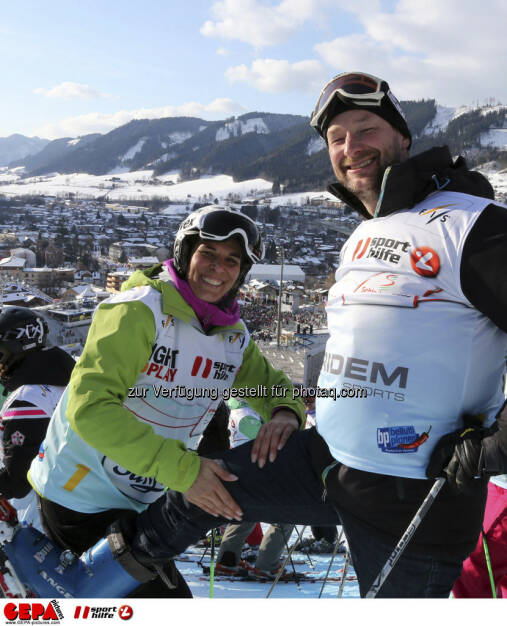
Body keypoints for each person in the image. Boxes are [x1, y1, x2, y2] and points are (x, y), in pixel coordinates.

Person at [14, 72, 507, 599]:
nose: (350, 148)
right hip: (318, 465)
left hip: (415, 495)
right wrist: (263, 431)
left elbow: (269, 384)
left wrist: (494, 447)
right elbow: (93, 407)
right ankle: (88, 583)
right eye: (336, 138)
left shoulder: (471, 225)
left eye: (365, 130)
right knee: (202, 490)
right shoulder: (366, 233)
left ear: (404, 138)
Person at [27, 206, 305, 598]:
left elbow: (269, 383)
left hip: (146, 495)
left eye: (232, 260)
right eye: (207, 253)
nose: (218, 268)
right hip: (81, 493)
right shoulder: (138, 311)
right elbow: (91, 409)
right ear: (185, 252)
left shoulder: (230, 333)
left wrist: (284, 413)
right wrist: (185, 470)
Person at [0, 307, 75, 528]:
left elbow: (17, 482)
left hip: (40, 512)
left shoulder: (28, 398)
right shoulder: (67, 377)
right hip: (71, 495)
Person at [216, 398, 295, 579]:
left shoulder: (233, 409)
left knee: (245, 513)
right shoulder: (250, 414)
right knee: (287, 513)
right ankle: (268, 564)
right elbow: (263, 447)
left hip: (236, 470)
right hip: (257, 470)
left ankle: (227, 561)